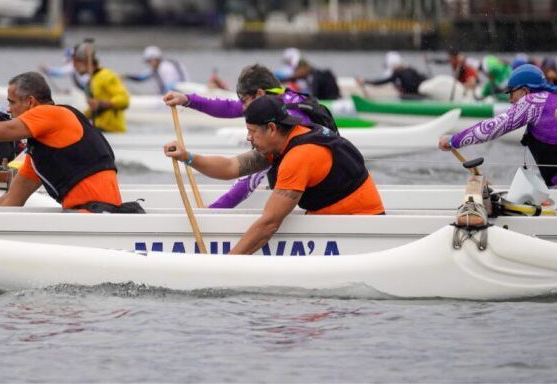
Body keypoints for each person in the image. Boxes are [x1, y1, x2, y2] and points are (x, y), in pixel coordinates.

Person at [163, 95, 384, 255]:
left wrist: (225, 264)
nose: (248, 137)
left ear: (271, 128)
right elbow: (230, 167)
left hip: (361, 227)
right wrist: (188, 157)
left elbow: (269, 224)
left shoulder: (299, 156)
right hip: (336, 222)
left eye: (251, 131)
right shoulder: (283, 142)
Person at [0, 71, 142, 213]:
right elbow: (12, 200)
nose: (8, 109)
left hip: (96, 217)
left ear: (30, 101)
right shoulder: (42, 151)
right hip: (84, 215)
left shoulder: (51, 114)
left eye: (12, 102)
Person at [163, 64, 337, 208]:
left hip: (328, 202)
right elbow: (228, 108)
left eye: (244, 101)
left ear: (260, 94)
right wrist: (186, 100)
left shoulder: (285, 124)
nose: (243, 108)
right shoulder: (278, 101)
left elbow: (244, 178)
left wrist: (212, 213)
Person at [438, 64, 557, 187]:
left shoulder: (532, 101)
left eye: (511, 92)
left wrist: (453, 140)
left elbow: (492, 128)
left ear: (525, 91)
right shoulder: (551, 98)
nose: (510, 100)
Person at [71, 41, 130, 133]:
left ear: (85, 61)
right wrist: (78, 117)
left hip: (113, 131)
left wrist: (101, 104)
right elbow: (94, 108)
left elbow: (124, 99)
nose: (74, 66)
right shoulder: (91, 80)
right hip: (99, 128)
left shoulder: (106, 75)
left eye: (76, 62)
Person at [356, 51, 427, 99]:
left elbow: (383, 82)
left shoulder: (398, 72)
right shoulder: (411, 69)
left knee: (401, 96)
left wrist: (365, 82)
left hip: (411, 98)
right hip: (420, 96)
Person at [125, 46, 190, 94]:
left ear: (155, 59)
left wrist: (164, 97)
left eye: (149, 61)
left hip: (180, 93)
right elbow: (141, 78)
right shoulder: (157, 68)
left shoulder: (165, 68)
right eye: (147, 61)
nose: (149, 64)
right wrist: (126, 76)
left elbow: (171, 86)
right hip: (176, 92)